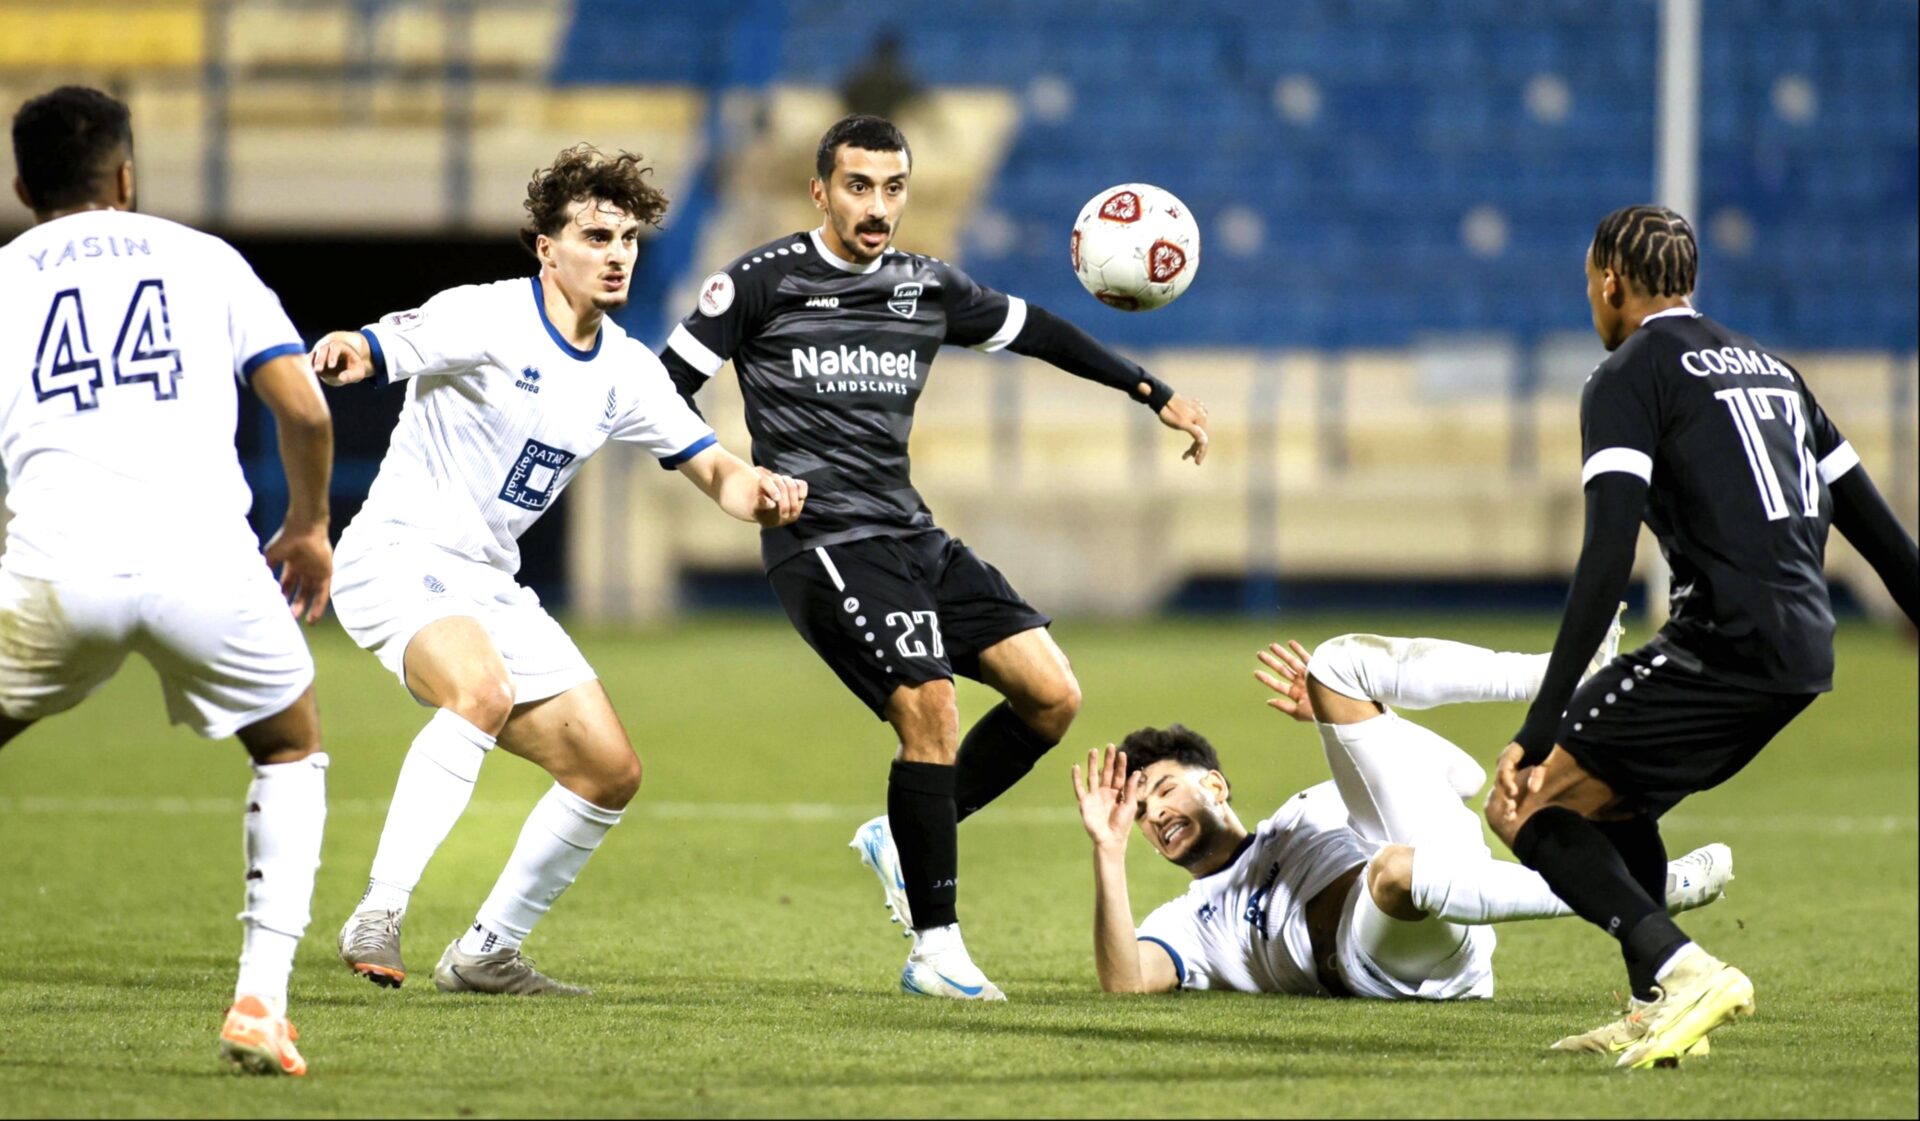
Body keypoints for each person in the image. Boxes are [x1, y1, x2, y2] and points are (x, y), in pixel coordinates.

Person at [657, 113, 1212, 999]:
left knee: (1052, 694)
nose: (878, 207)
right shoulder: (758, 283)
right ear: (820, 191)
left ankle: (906, 831)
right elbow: (659, 389)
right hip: (822, 539)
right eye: (859, 187)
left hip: (910, 532)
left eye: (893, 188)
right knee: (932, 710)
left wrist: (1153, 391)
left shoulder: (926, 286)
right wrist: (730, 477)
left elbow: (1039, 332)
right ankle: (936, 950)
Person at [313, 145, 808, 996]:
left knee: (609, 770)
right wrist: (351, 350)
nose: (618, 254)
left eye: (628, 239)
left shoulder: (627, 370)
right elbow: (386, 341)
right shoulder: (485, 317)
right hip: (398, 553)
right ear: (546, 247)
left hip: (489, 583)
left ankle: (485, 952)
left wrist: (758, 490)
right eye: (595, 235)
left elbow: (714, 469)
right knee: (481, 689)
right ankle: (379, 910)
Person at [1482, 205, 1919, 1068]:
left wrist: (1538, 728)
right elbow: (1888, 543)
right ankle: (1654, 1004)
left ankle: (1684, 971)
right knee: (1616, 793)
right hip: (1805, 651)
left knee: (1525, 801)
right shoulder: (1775, 372)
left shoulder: (1627, 375)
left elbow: (1606, 559)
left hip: (1721, 644)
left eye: (1588, 284)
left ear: (1610, 281)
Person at [1, 86, 334, 1075]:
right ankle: (260, 1004)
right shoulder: (204, 257)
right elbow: (305, 410)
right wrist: (308, 526)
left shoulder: (3, 276)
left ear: (22, 187)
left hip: (57, 563)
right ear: (128, 175)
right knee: (288, 743)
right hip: (203, 557)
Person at [1071, 633, 1733, 1004]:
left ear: (1214, 783)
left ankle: (1558, 673)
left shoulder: (1312, 804)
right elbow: (1126, 977)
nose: (1154, 813)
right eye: (1140, 811)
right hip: (1377, 960)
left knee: (1335, 666)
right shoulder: (1188, 919)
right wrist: (1106, 850)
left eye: (1160, 788)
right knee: (1391, 869)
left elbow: (1464, 778)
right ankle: (1643, 896)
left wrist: (1359, 718)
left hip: (1442, 894)